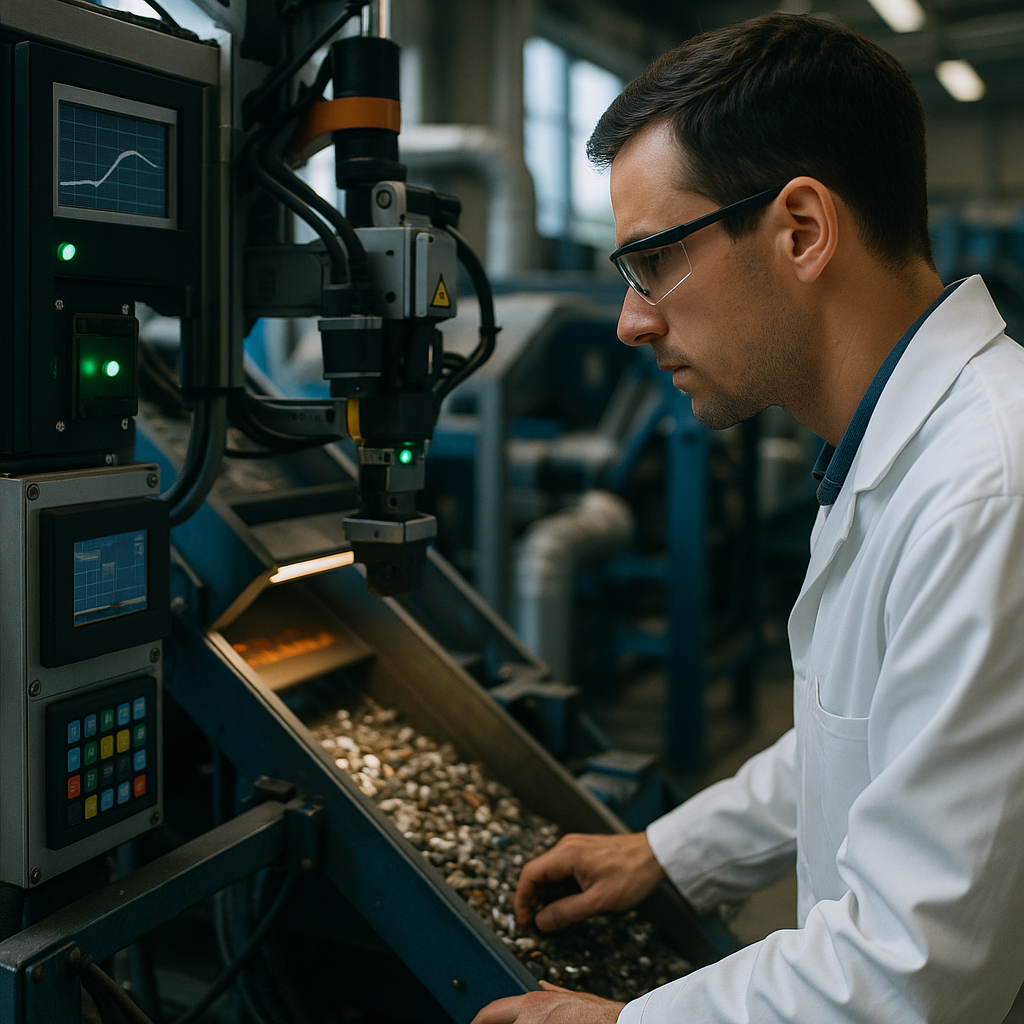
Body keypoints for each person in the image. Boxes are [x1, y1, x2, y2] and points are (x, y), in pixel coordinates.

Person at [472, 12, 1024, 1024]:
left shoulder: (986, 490)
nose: (634, 320)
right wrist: (670, 851)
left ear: (801, 230)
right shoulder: (892, 449)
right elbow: (868, 737)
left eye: (651, 261)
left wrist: (623, 1023)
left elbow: (915, 972)